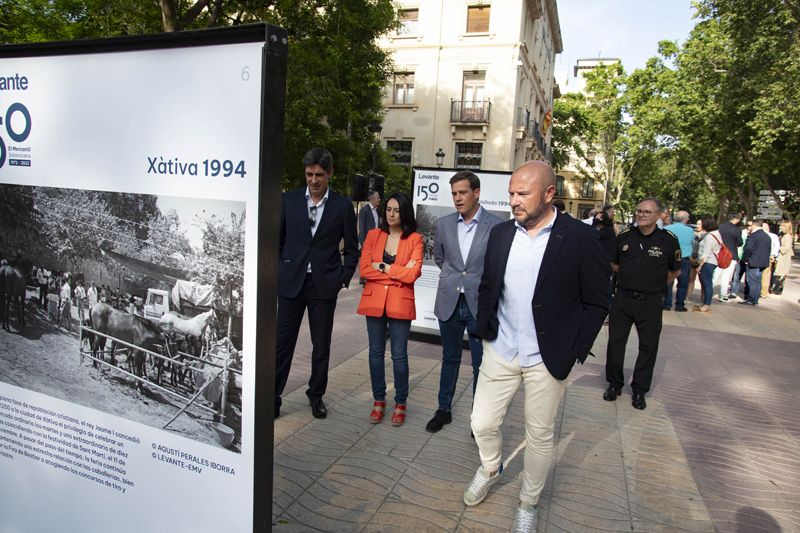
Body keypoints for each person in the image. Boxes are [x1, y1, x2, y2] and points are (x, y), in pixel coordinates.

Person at [463, 161, 610, 532]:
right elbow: (487, 285)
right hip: (502, 347)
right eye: (511, 193)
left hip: (548, 356)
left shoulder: (579, 237)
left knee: (539, 436)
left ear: (548, 194)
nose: (513, 201)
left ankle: (528, 502)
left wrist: (576, 348)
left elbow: (598, 300)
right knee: (481, 422)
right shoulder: (499, 234)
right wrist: (484, 328)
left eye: (522, 194)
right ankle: (491, 466)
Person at [274, 148, 359, 419]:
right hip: (290, 283)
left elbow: (352, 249)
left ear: (329, 174)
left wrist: (343, 278)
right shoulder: (287, 201)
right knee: (282, 344)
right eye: (309, 174)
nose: (313, 180)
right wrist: (279, 271)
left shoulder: (342, 206)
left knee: (321, 345)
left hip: (324, 285)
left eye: (319, 175)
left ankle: (316, 395)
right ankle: (273, 397)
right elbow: (278, 240)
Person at [425, 171, 503, 434]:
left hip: (478, 304)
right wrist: (454, 279)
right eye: (454, 193)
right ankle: (443, 409)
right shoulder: (445, 223)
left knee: (481, 363)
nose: (457, 198)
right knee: (450, 358)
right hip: (449, 300)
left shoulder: (495, 225)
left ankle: (478, 418)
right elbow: (440, 258)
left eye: (463, 192)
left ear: (476, 193)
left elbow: (496, 265)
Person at [603, 198, 680, 410]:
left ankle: (639, 389)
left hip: (651, 301)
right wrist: (630, 277)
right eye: (639, 211)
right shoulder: (625, 236)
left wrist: (653, 283)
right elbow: (614, 263)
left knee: (648, 346)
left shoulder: (668, 240)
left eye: (647, 212)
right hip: (623, 298)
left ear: (658, 215)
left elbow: (675, 270)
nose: (641, 215)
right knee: (616, 342)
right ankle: (614, 384)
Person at [357, 192, 423, 427]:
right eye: (388, 209)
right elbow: (364, 270)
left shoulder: (414, 239)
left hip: (400, 303)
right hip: (374, 302)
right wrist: (398, 272)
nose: (391, 214)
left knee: (399, 355)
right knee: (375, 353)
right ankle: (379, 400)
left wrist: (383, 267)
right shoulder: (374, 235)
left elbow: (413, 274)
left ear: (404, 212)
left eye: (396, 210)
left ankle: (401, 402)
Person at [663, 211, 694, 312]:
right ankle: (679, 305)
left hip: (669, 258)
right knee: (683, 283)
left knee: (668, 282)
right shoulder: (690, 230)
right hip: (684, 259)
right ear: (685, 219)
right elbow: (692, 242)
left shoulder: (666, 229)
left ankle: (667, 304)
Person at [739, 220, 772, 306]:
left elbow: (748, 249)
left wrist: (744, 259)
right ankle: (755, 299)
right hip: (762, 262)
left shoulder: (753, 235)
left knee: (751, 281)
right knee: (757, 282)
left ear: (754, 225)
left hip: (753, 261)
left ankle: (751, 299)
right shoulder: (767, 236)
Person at [694, 217, 722, 313]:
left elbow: (706, 254)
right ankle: (705, 303)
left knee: (707, 283)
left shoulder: (710, 236)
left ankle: (706, 304)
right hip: (712, 262)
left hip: (708, 262)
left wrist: (699, 266)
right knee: (707, 283)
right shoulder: (717, 234)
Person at [715, 213, 743, 301]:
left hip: (719, 254)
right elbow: (740, 242)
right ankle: (723, 295)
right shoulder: (737, 230)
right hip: (731, 255)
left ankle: (706, 291)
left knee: (715, 275)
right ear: (736, 220)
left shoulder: (720, 227)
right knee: (726, 277)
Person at [771, 220, 794, 295]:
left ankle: (777, 290)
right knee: (778, 274)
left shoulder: (788, 237)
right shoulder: (783, 235)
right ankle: (775, 289)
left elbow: (786, 248)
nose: (781, 227)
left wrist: (779, 247)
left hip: (784, 259)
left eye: (783, 226)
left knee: (780, 274)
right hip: (781, 257)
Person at [761, 222, 780, 299]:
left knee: (757, 275)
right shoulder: (774, 236)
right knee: (766, 276)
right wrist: (773, 255)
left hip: (761, 256)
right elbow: (777, 247)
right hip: (769, 257)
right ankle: (764, 293)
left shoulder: (761, 235)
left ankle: (757, 291)